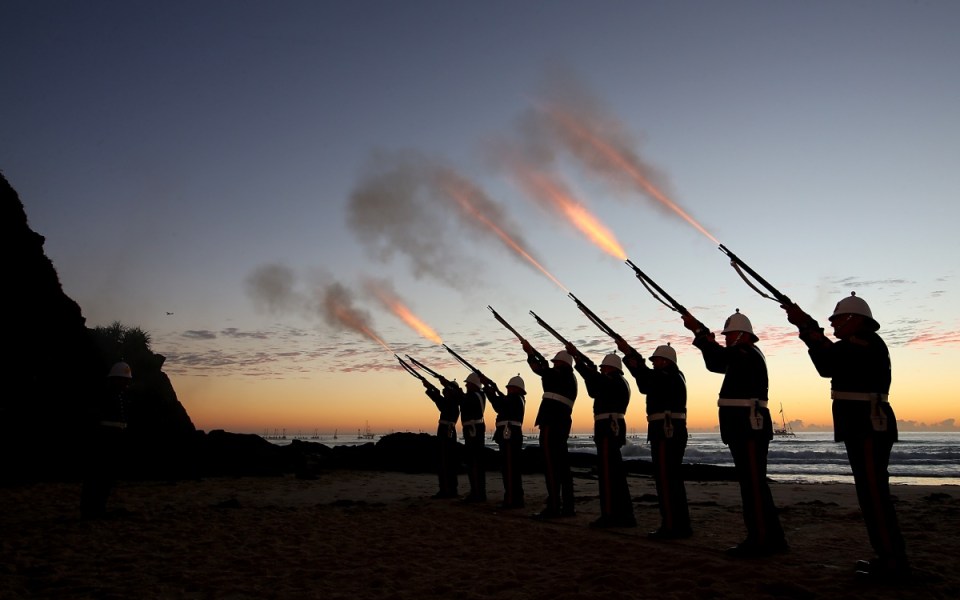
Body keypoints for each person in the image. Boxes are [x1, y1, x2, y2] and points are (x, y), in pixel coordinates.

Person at [783, 293, 909, 580]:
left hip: (867, 424)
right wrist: (806, 326)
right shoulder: (859, 343)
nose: (833, 324)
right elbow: (830, 357)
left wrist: (805, 326)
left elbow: (827, 363)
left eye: (837, 319)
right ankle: (887, 556)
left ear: (854, 319)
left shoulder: (863, 342)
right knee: (870, 494)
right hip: (862, 424)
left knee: (874, 495)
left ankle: (892, 562)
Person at [682, 309, 788, 557]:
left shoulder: (745, 352)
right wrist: (706, 340)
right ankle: (770, 537)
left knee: (753, 486)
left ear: (742, 335)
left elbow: (718, 356)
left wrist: (699, 332)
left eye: (729, 335)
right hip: (743, 425)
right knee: (753, 484)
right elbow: (715, 363)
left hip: (747, 426)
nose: (727, 338)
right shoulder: (743, 354)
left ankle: (761, 539)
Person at [617, 339, 692, 540]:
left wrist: (630, 354)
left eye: (656, 360)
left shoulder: (667, 375)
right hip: (668, 430)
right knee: (671, 478)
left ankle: (672, 526)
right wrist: (631, 355)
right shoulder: (672, 375)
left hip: (666, 431)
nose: (654, 363)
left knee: (666, 479)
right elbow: (645, 379)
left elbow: (645, 380)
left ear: (666, 362)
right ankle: (679, 524)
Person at [566, 343, 636, 528]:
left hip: (607, 428)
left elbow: (594, 379)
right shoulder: (618, 382)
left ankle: (610, 515)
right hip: (611, 427)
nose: (602, 370)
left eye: (604, 367)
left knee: (607, 473)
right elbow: (593, 389)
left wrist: (578, 360)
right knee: (614, 472)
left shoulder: (612, 380)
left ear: (610, 368)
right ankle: (623, 514)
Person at [521, 339, 578, 519]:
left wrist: (530, 353)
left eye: (557, 362)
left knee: (551, 464)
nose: (554, 364)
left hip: (552, 420)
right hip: (560, 420)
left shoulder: (561, 374)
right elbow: (544, 370)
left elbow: (539, 369)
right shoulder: (567, 377)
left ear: (563, 364)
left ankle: (554, 506)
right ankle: (567, 506)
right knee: (561, 465)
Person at [80, 361, 133, 519]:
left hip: (114, 439)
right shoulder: (103, 395)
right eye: (123, 380)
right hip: (103, 440)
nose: (125, 383)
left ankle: (99, 508)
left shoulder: (121, 396)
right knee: (97, 476)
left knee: (107, 476)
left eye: (126, 380)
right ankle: (90, 509)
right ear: (114, 379)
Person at [482, 373, 526, 509]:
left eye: (511, 387)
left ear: (517, 389)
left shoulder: (515, 399)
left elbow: (499, 404)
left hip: (509, 435)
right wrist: (491, 389)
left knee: (509, 468)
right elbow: (501, 401)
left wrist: (489, 390)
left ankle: (512, 499)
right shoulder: (516, 399)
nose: (508, 389)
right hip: (510, 434)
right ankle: (514, 498)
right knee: (511, 468)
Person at [423, 377, 461, 499]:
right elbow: (439, 399)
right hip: (447, 431)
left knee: (445, 461)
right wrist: (431, 388)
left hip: (446, 431)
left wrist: (431, 389)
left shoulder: (452, 403)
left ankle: (446, 490)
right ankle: (450, 489)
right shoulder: (452, 402)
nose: (445, 392)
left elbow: (439, 400)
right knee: (448, 461)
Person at [459, 372, 488, 503]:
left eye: (468, 384)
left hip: (473, 430)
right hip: (474, 429)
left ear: (474, 385)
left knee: (474, 462)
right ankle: (477, 492)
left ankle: (477, 493)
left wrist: (456, 392)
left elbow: (463, 400)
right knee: (474, 462)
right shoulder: (478, 395)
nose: (466, 386)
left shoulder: (474, 396)